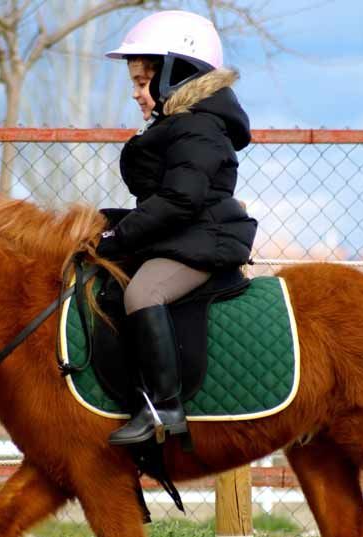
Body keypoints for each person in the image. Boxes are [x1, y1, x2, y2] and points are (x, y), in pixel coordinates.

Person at [96, 10, 257, 446]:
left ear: (177, 75)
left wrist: (119, 236)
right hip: (184, 235)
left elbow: (181, 199)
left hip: (205, 240)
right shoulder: (178, 124)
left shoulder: (198, 126)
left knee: (142, 293)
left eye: (141, 82)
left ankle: (164, 409)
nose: (135, 94)